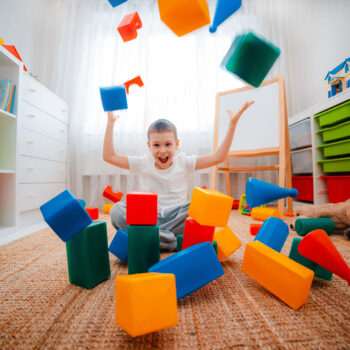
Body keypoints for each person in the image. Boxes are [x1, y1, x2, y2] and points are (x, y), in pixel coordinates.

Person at [103, 101, 254, 251]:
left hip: (177, 216)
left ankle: (150, 238)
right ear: (149, 146)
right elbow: (109, 156)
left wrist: (232, 124)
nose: (162, 150)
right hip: (148, 218)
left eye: (168, 144)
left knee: (201, 205)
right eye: (156, 145)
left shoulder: (184, 162)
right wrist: (110, 123)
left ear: (176, 144)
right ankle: (171, 241)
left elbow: (218, 157)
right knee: (117, 210)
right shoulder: (143, 162)